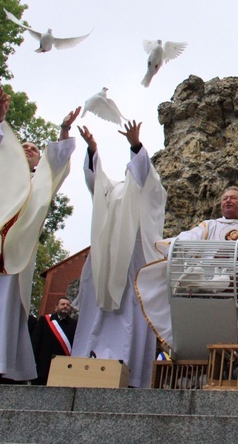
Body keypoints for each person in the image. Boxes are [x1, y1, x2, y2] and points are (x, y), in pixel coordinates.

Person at [0, 88, 79, 382]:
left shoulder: (38, 187)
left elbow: (56, 167)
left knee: (1, 309)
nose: (29, 150)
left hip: (13, 261)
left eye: (34, 150)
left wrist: (64, 129)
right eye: (24, 147)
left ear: (36, 164)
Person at [71, 120, 166, 388]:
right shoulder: (113, 189)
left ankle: (130, 369)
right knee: (97, 310)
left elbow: (145, 172)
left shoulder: (151, 186)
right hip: (105, 258)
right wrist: (92, 150)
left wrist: (135, 145)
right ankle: (88, 361)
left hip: (134, 257)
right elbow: (95, 181)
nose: (131, 170)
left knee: (130, 313)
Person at [135, 186, 238, 348]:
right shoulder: (209, 226)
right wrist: (174, 245)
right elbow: (190, 237)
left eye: (233, 198)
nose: (228, 200)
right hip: (209, 294)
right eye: (224, 199)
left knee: (237, 333)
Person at [30, 296, 77, 385]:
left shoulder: (74, 324)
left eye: (68, 305)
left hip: (63, 365)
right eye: (62, 304)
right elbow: (35, 342)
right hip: (44, 364)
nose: (65, 306)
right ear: (56, 307)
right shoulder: (44, 320)